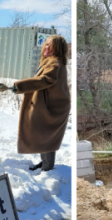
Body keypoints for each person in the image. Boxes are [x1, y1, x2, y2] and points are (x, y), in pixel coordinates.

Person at [12, 35, 70, 172]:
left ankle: (48, 166)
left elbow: (46, 80)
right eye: (47, 44)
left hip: (53, 107)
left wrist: (20, 86)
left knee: (46, 136)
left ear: (58, 49)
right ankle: (45, 162)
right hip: (49, 105)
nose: (47, 47)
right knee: (43, 134)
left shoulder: (54, 63)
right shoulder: (49, 62)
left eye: (51, 45)